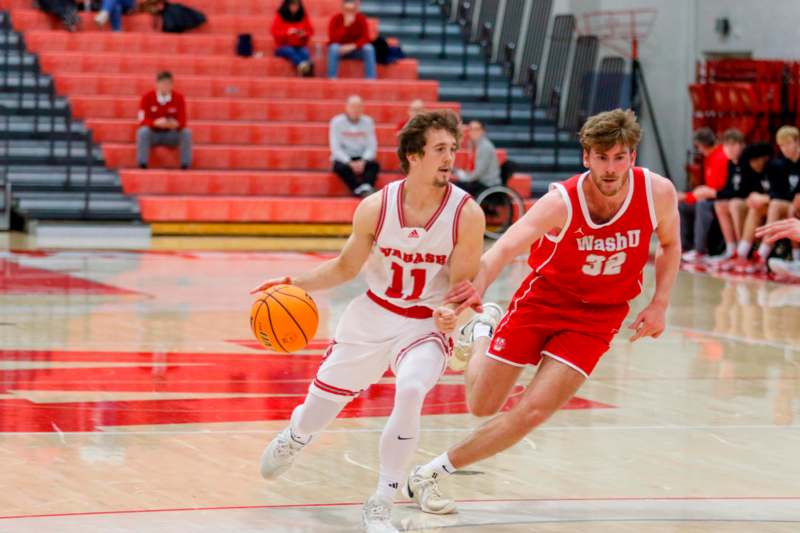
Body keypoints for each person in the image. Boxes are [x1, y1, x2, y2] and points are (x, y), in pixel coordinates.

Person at [399, 109, 681, 515]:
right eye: (601, 157)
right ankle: (482, 329)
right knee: (482, 405)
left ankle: (430, 473)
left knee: (531, 411)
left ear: (632, 158)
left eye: (619, 157)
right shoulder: (561, 201)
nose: (610, 168)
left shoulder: (657, 193)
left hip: (598, 317)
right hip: (544, 302)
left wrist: (659, 303)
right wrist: (477, 285)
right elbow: (508, 246)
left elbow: (670, 245)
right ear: (586, 157)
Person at [253, 110, 485, 533]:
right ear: (414, 156)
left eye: (453, 149)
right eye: (440, 150)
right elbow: (344, 268)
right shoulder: (376, 208)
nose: (450, 157)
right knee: (320, 409)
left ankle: (382, 500)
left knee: (412, 389)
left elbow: (462, 283)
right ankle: (296, 437)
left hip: (423, 323)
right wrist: (293, 281)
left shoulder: (466, 214)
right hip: (373, 314)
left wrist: (455, 311)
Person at [710, 142, 771, 269]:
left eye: (755, 160)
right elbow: (744, 192)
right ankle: (735, 250)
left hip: (774, 205)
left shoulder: (774, 167)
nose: (752, 164)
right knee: (728, 204)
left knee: (742, 206)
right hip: (759, 205)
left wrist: (762, 198)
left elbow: (782, 194)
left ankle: (746, 253)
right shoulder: (749, 168)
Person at [679, 127, 733, 263]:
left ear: (702, 145)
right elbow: (706, 189)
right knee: (684, 207)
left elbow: (713, 190)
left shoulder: (720, 157)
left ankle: (700, 250)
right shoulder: (710, 157)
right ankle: (685, 246)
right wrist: (687, 198)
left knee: (702, 205)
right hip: (711, 196)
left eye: (698, 146)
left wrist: (688, 196)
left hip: (720, 198)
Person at [136, 71, 192, 169]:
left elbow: (183, 121)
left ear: (172, 85)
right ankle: (142, 164)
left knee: (186, 133)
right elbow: (141, 120)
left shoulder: (179, 98)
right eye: (163, 83)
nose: (165, 86)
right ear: (157, 84)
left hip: (171, 134)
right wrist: (155, 123)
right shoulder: (147, 97)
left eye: (168, 83)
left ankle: (185, 165)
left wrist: (174, 124)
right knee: (142, 132)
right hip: (153, 134)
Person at [329, 95, 380, 197]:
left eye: (358, 107)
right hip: (345, 157)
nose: (356, 110)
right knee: (339, 167)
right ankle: (359, 188)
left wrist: (363, 160)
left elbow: (372, 146)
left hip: (362, 156)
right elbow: (335, 147)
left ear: (362, 108)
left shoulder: (368, 122)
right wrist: (349, 161)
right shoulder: (336, 122)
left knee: (374, 165)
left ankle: (366, 187)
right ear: (346, 107)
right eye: (353, 106)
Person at [327, 0, 376, 79]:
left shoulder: (361, 19)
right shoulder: (335, 19)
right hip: (341, 50)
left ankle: (370, 79)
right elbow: (333, 39)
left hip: (356, 50)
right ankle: (332, 78)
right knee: (333, 48)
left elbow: (366, 38)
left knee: (369, 48)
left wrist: (353, 46)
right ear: (342, 8)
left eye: (351, 11)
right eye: (347, 10)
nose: (349, 13)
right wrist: (345, 26)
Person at [453, 120, 501, 196]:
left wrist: (465, 178)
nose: (473, 132)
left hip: (487, 183)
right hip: (480, 180)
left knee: (457, 186)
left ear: (483, 131)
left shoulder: (485, 147)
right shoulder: (475, 145)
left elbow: (479, 172)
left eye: (476, 129)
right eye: (471, 129)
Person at [271, 0, 314, 77]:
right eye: (292, 5)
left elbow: (310, 31)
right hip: (283, 46)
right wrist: (287, 33)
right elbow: (274, 32)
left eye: (296, 5)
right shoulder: (281, 15)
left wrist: (303, 34)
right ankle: (302, 66)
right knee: (290, 51)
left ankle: (306, 71)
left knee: (305, 52)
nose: (294, 8)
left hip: (299, 44)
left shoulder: (303, 15)